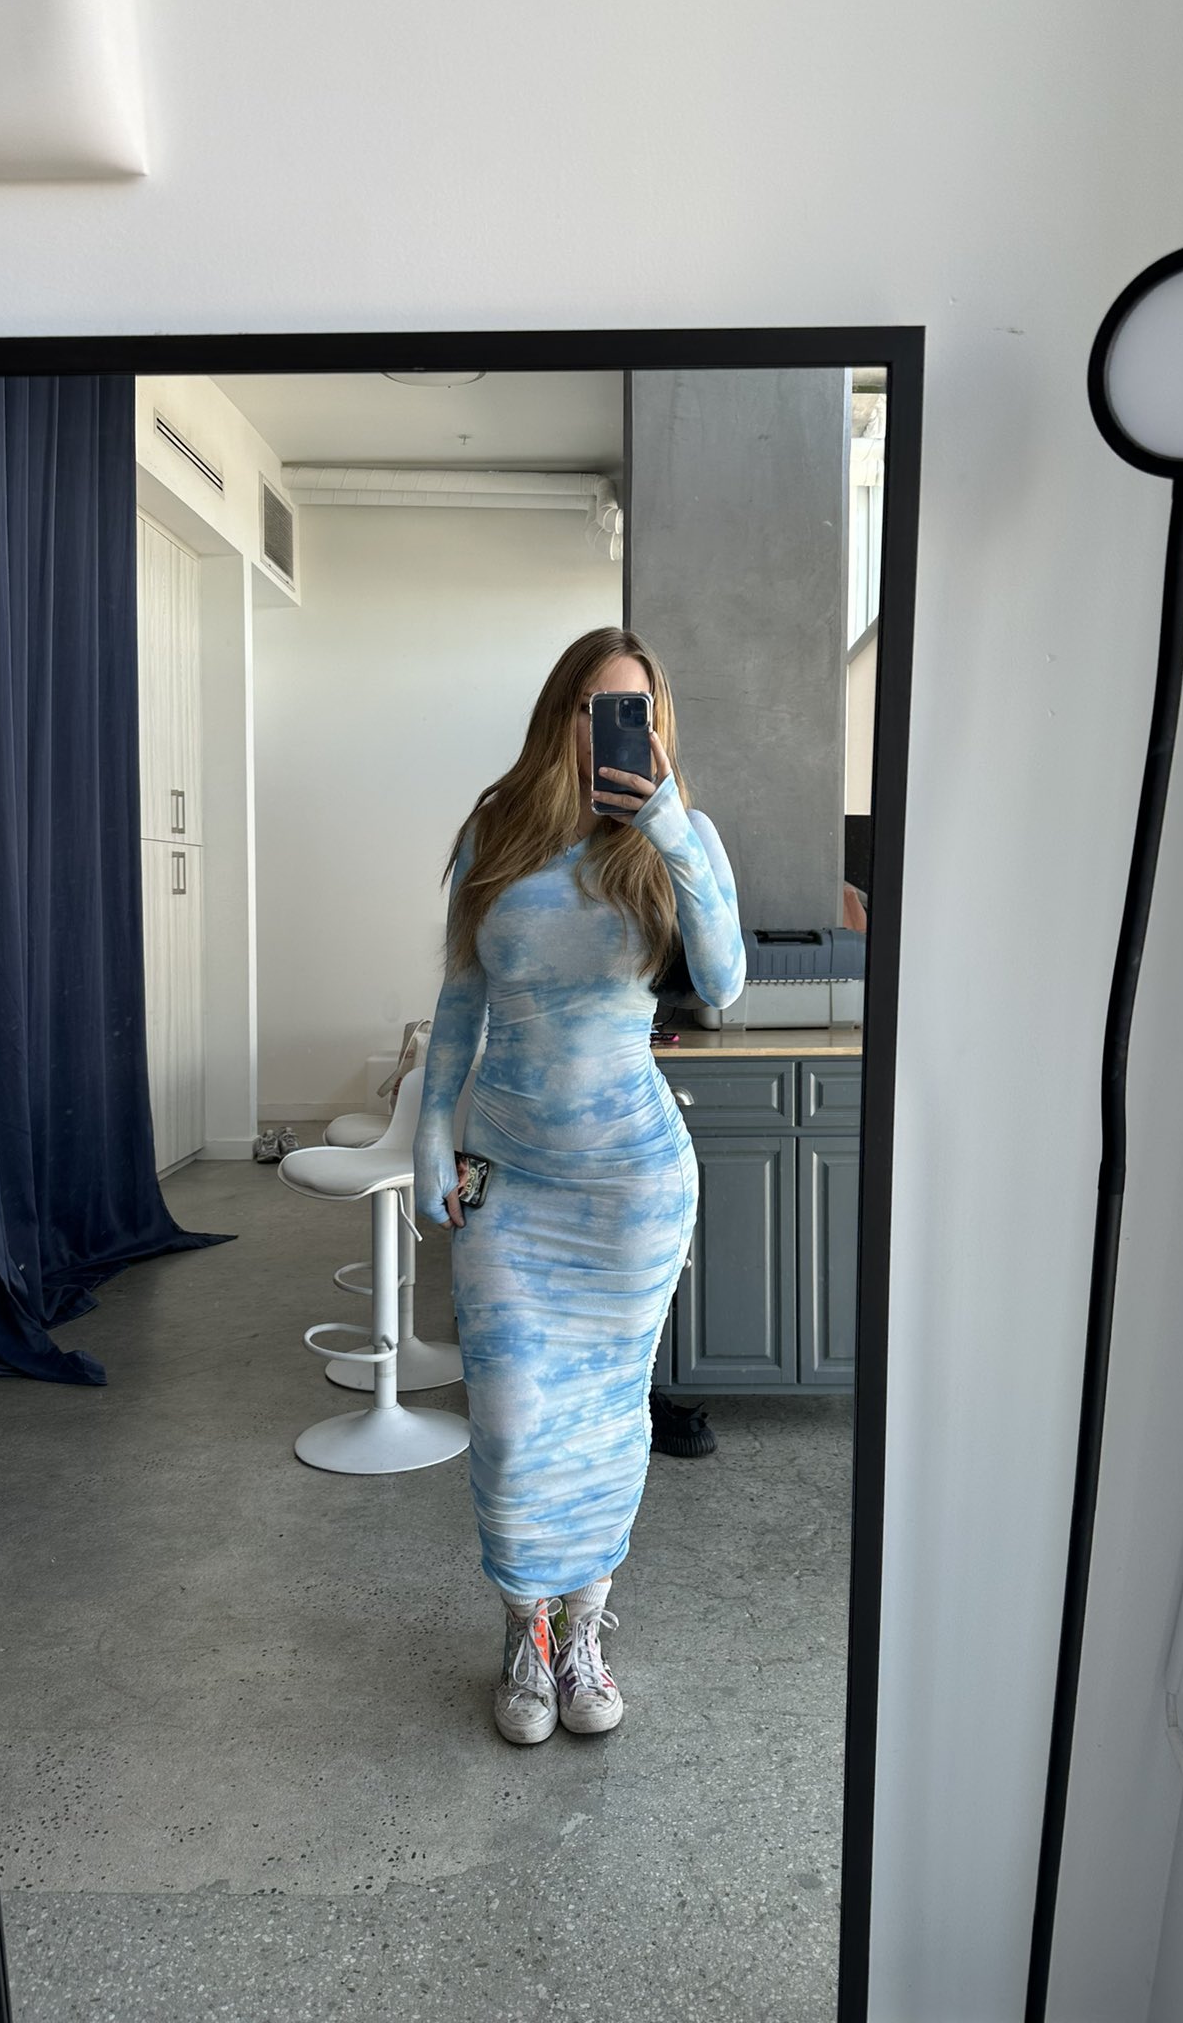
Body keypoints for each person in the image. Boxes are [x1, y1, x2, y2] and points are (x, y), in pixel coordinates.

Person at [413, 627, 745, 1745]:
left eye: (636, 712)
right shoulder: (496, 829)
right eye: (599, 708)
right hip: (511, 1177)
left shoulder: (677, 837)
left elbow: (725, 982)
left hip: (631, 1190)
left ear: (657, 726)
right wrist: (430, 1131)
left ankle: (586, 1628)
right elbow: (461, 999)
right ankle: (526, 1628)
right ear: (562, 711)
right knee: (511, 1422)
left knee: (605, 1418)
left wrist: (667, 828)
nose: (615, 731)